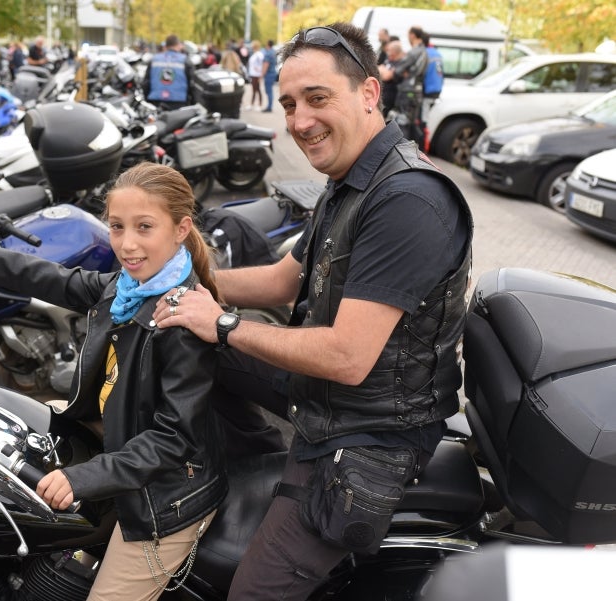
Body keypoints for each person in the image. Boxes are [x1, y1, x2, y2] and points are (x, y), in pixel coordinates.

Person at [152, 21, 472, 600]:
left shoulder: (408, 199)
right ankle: (251, 464)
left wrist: (222, 324)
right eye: (290, 104)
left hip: (371, 430)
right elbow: (281, 280)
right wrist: (178, 286)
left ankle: (278, 482)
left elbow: (347, 356)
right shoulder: (351, 179)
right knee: (185, 337)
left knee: (251, 593)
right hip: (332, 397)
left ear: (370, 94)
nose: (299, 122)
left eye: (318, 99)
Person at [0, 162, 228, 601]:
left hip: (166, 495)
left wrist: (84, 478)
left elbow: (173, 440)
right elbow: (43, 276)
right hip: (115, 433)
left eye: (144, 227)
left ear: (180, 229)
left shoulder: (181, 319)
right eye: (117, 227)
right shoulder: (130, 285)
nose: (127, 244)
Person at [142, 34, 194, 111]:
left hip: (156, 101)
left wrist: (147, 99)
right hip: (178, 102)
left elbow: (146, 83)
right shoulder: (185, 60)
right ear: (178, 45)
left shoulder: (154, 59)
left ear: (165, 46)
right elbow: (192, 84)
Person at [379, 38, 405, 117]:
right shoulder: (389, 60)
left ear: (394, 52)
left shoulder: (401, 63)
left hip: (391, 98)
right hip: (382, 96)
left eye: (389, 50)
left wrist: (383, 71)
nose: (387, 52)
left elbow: (386, 76)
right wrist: (384, 71)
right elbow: (377, 69)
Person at [245, 40, 264, 110]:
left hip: (257, 75)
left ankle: (259, 105)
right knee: (254, 89)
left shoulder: (259, 54)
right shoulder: (254, 54)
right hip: (253, 74)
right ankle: (252, 104)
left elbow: (261, 64)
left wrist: (259, 72)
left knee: (257, 89)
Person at [261, 39, 278, 112]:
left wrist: (262, 75)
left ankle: (269, 107)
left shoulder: (268, 53)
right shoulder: (274, 52)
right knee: (270, 90)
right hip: (273, 73)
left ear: (268, 44)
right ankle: (269, 106)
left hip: (268, 74)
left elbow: (266, 65)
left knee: (268, 91)